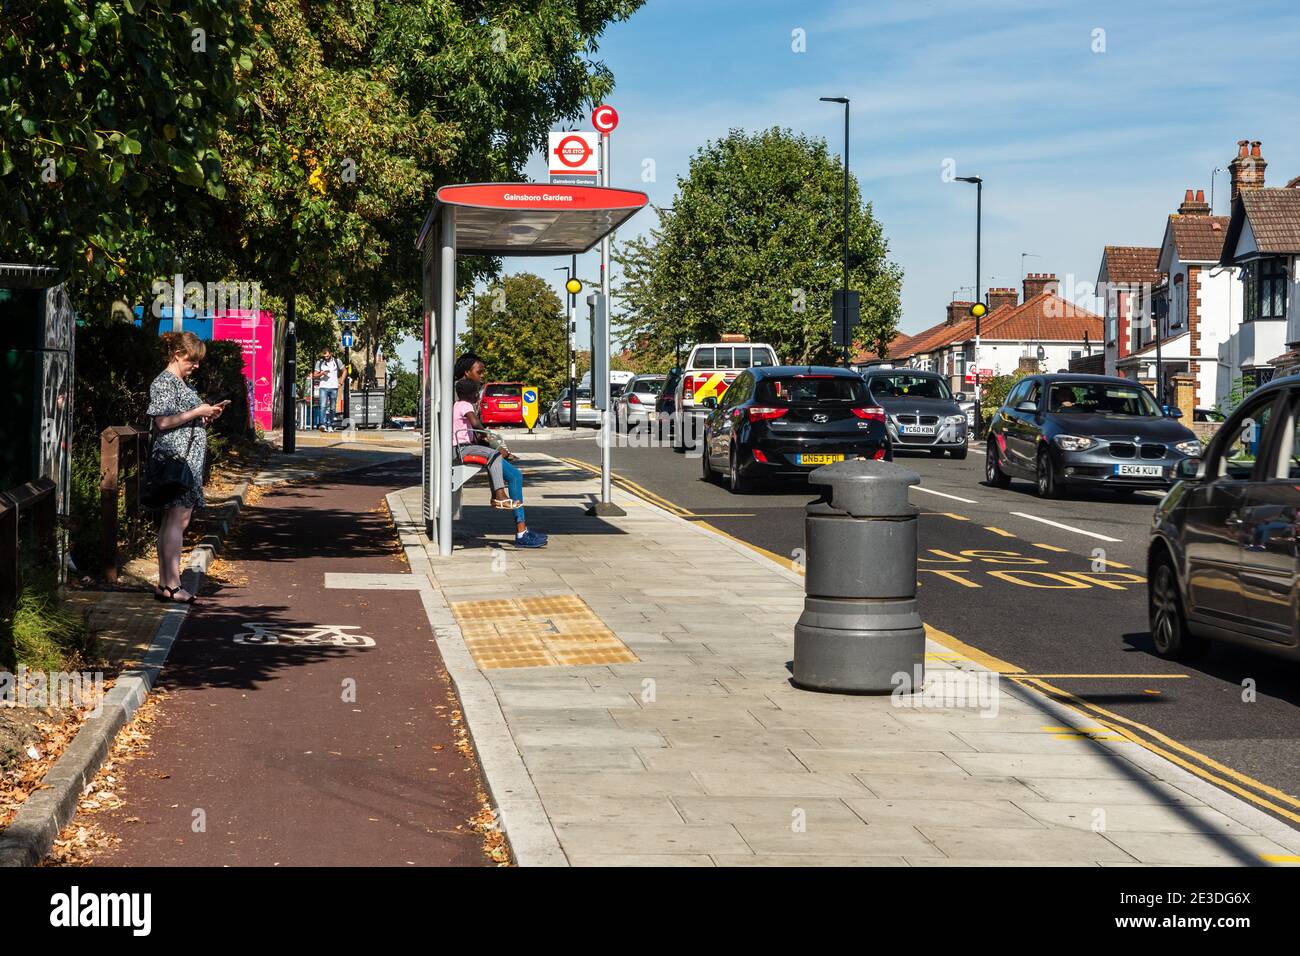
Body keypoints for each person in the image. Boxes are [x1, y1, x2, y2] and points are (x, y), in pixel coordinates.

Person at [148, 331, 225, 604]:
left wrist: (205, 416)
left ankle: (167, 583)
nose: (196, 365)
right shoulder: (165, 382)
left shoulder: (181, 382)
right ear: (178, 355)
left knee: (176, 521)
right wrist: (197, 412)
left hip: (185, 459)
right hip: (175, 460)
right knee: (176, 521)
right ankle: (171, 584)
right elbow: (162, 422)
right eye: (192, 360)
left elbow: (178, 420)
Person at [453, 377, 546, 548]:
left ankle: (522, 530)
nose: (479, 396)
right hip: (463, 449)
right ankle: (500, 497)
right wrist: (488, 438)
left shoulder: (458, 406)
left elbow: (474, 435)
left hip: (468, 447)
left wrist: (495, 446)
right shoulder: (465, 405)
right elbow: (476, 426)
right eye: (477, 392)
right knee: (494, 457)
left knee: (515, 475)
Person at [313, 348, 341, 431]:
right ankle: (323, 424)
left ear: (331, 354)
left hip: (334, 387)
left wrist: (341, 382)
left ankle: (331, 424)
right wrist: (322, 373)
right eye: (325, 356)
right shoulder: (320, 362)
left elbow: (344, 371)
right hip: (323, 387)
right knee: (323, 406)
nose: (326, 357)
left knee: (332, 407)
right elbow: (315, 375)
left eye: (328, 356)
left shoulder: (337, 361)